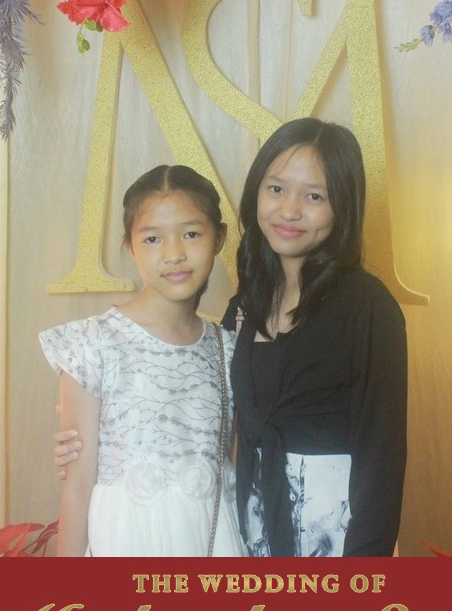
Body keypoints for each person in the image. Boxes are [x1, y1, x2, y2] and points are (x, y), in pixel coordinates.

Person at [55, 118, 408, 557]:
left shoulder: (367, 307)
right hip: (251, 531)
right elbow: (204, 413)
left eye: (314, 196)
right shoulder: (245, 309)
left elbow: (384, 457)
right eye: (276, 189)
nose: (290, 210)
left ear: (343, 206)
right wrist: (90, 430)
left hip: (335, 535)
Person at [40, 165, 244, 557]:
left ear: (218, 238)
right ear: (130, 247)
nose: (174, 254)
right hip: (125, 541)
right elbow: (78, 485)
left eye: (191, 234)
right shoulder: (94, 344)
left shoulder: (228, 350)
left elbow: (234, 462)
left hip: (212, 541)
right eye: (152, 239)